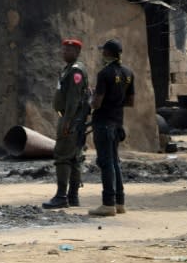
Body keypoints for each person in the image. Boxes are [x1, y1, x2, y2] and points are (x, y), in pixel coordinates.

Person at [88, 39, 135, 217]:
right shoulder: (128, 73)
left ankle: (108, 204)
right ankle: (119, 202)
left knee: (106, 162)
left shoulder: (104, 74)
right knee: (114, 162)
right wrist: (115, 102)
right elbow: (130, 102)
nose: (101, 55)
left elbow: (97, 103)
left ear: (107, 53)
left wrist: (91, 99)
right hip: (117, 123)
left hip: (103, 123)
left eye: (103, 52)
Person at [43, 38, 90, 209]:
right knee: (74, 158)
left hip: (71, 118)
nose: (64, 53)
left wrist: (68, 121)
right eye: (63, 50)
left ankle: (62, 196)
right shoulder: (69, 69)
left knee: (63, 156)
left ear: (77, 53)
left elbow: (73, 99)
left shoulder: (76, 71)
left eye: (69, 51)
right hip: (72, 118)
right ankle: (72, 197)